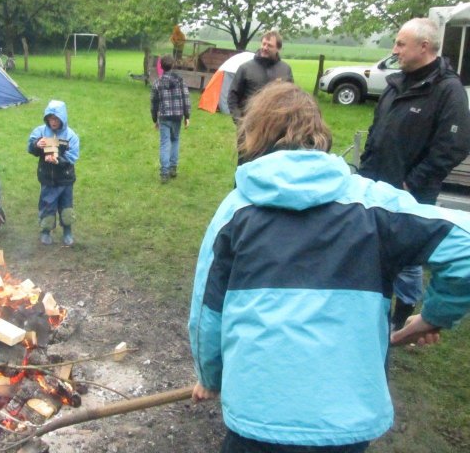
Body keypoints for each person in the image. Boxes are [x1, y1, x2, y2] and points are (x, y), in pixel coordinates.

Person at [189, 82, 470, 453]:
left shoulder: (234, 211)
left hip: (259, 413)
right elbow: (464, 249)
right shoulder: (376, 204)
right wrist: (434, 316)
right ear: (318, 132)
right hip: (345, 421)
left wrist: (211, 376)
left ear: (253, 135)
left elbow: (208, 312)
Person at [359, 17, 470, 331]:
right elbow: (377, 130)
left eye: (400, 44)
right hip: (374, 186)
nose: (395, 50)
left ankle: (402, 314)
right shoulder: (396, 83)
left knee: (407, 260)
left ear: (424, 46)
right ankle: (373, 309)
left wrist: (414, 182)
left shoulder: (447, 89)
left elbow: (455, 144)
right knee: (372, 252)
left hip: (410, 195)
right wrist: (366, 166)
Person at [227, 30, 293, 165]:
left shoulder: (285, 69)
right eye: (264, 44)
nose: (265, 48)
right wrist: (240, 121)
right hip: (248, 128)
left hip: (275, 129)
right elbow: (232, 96)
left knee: (269, 167)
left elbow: (291, 98)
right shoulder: (246, 68)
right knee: (245, 166)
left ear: (278, 48)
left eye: (270, 45)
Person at [27, 100, 79, 246]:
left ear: (63, 118)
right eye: (50, 118)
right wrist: (37, 144)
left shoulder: (70, 136)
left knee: (66, 207)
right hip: (47, 178)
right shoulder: (41, 132)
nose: (53, 122)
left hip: (65, 179)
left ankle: (67, 231)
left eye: (56, 119)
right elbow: (30, 148)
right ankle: (45, 231)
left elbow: (73, 156)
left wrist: (58, 160)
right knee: (47, 206)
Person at [150, 55, 191, 183]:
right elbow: (186, 98)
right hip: (177, 116)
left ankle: (164, 173)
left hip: (164, 116)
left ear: (161, 67)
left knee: (164, 143)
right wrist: (187, 116)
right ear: (172, 66)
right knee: (175, 140)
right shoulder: (180, 81)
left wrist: (154, 119)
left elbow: (154, 103)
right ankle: (173, 168)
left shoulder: (157, 83)